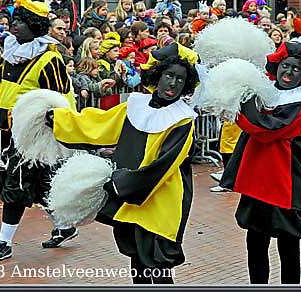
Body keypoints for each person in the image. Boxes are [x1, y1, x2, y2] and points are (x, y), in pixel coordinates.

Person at [47, 43, 201, 284]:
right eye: (169, 75)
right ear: (157, 75)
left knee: (159, 267)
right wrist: (59, 119)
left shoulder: (183, 120)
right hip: (132, 195)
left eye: (180, 79)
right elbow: (99, 124)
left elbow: (164, 164)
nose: (173, 83)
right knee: (137, 262)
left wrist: (119, 184)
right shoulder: (136, 105)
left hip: (162, 197)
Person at [0, 0, 78, 261]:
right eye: (15, 20)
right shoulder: (10, 55)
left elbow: (63, 97)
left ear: (35, 26)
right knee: (42, 185)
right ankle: (65, 226)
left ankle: (3, 242)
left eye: (21, 22)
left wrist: (68, 131)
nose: (14, 25)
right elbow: (1, 88)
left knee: (16, 184)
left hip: (37, 136)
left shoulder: (50, 60)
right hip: (12, 132)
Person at [219, 41, 301, 284]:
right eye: (286, 66)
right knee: (255, 244)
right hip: (258, 182)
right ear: (277, 67)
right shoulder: (263, 94)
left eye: (296, 69)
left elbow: (266, 129)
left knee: (288, 248)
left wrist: (239, 106)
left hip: (288, 185)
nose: (289, 73)